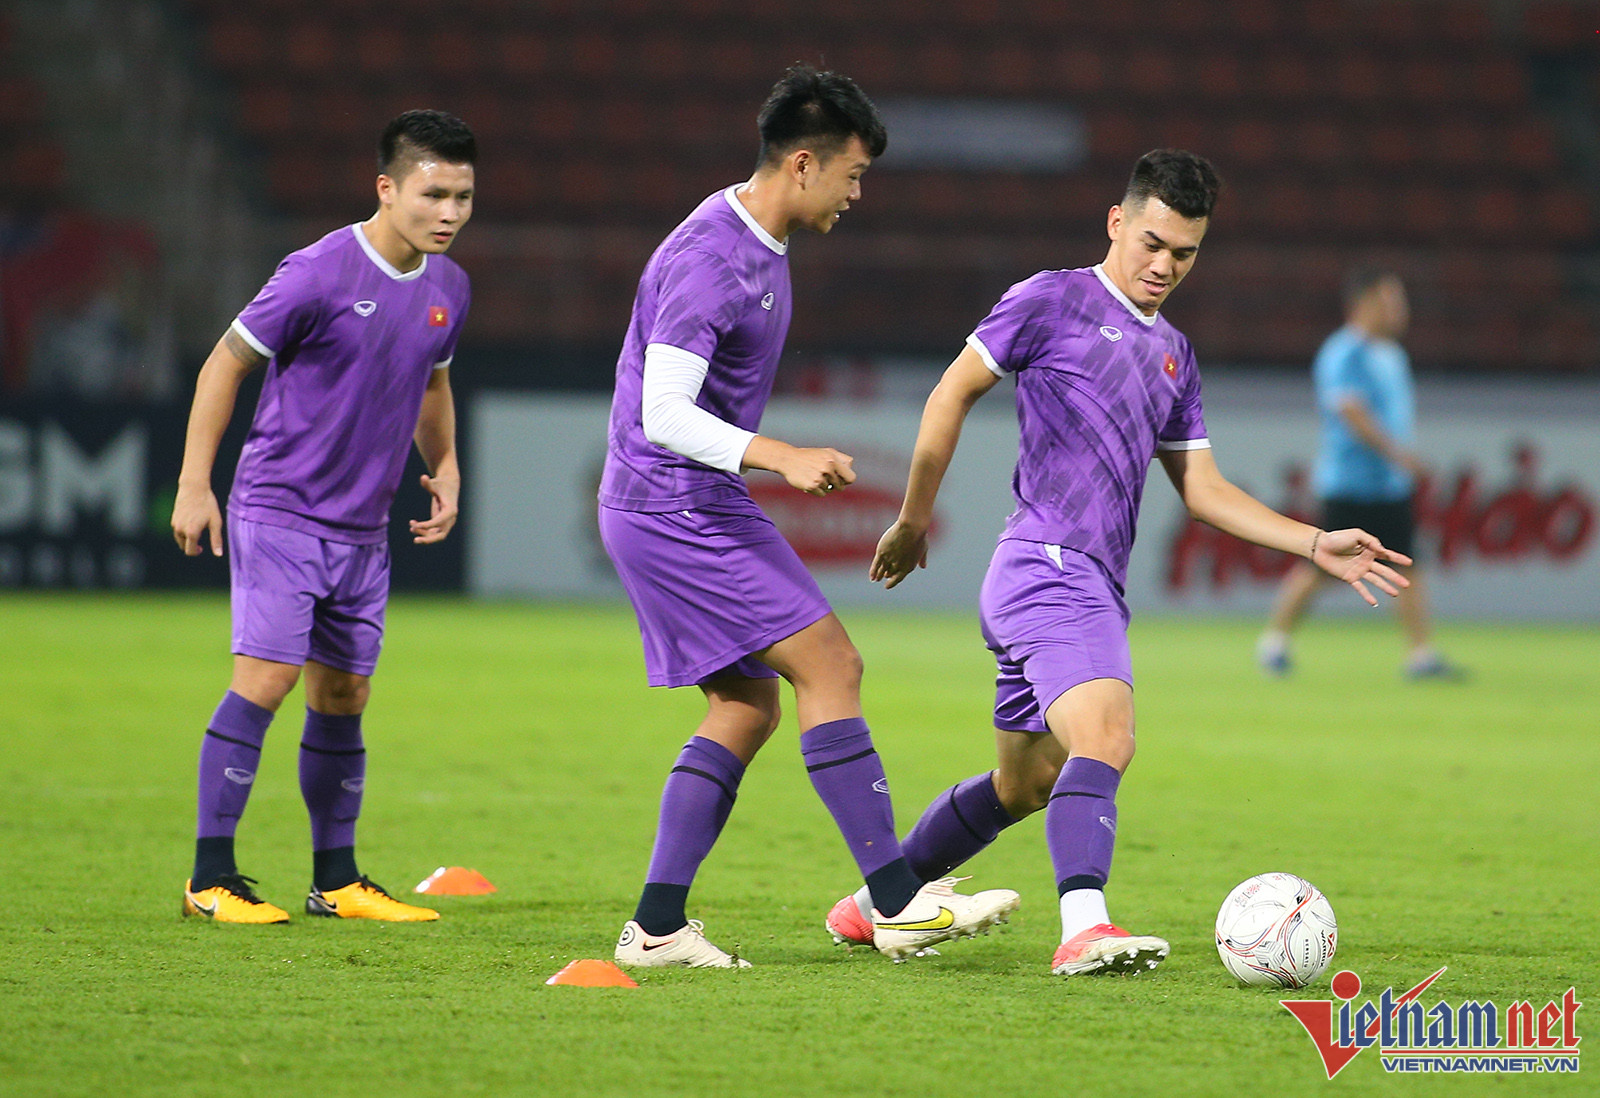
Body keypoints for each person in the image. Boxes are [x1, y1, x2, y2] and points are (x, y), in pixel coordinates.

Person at [821, 150, 1412, 976]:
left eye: (1185, 253)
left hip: (1082, 578)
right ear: (1116, 222)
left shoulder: (1175, 355)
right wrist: (914, 519)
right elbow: (952, 390)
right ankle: (1085, 928)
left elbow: (1202, 489)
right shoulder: (1051, 299)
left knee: (1026, 785)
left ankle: (870, 905)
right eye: (1152, 243)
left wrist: (1314, 543)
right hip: (1047, 566)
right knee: (1107, 734)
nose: (1164, 265)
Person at [600, 65, 1018, 969]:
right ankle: (897, 903)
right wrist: (780, 454)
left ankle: (657, 929)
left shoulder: (755, 240)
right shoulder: (712, 259)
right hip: (670, 501)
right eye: (852, 175)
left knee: (745, 706)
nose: (857, 194)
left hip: (685, 498)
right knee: (831, 663)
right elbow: (662, 413)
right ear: (802, 164)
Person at [170, 110, 475, 924]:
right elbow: (223, 365)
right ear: (387, 188)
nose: (449, 212)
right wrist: (195, 484)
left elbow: (433, 382)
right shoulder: (316, 272)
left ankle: (335, 881)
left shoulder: (449, 287)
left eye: (462, 197)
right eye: (433, 194)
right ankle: (209, 878)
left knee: (344, 692)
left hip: (363, 529)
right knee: (266, 679)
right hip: (281, 509)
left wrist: (444, 465)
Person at [1257, 269, 1463, 679]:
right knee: (1321, 566)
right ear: (1363, 303)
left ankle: (1420, 655)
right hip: (1350, 483)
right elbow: (1352, 412)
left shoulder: (1392, 354)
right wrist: (1400, 456)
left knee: (1407, 563)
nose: (1399, 311)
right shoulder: (1344, 352)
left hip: (1389, 485)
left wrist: (1401, 463)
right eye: (1390, 302)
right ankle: (1274, 641)